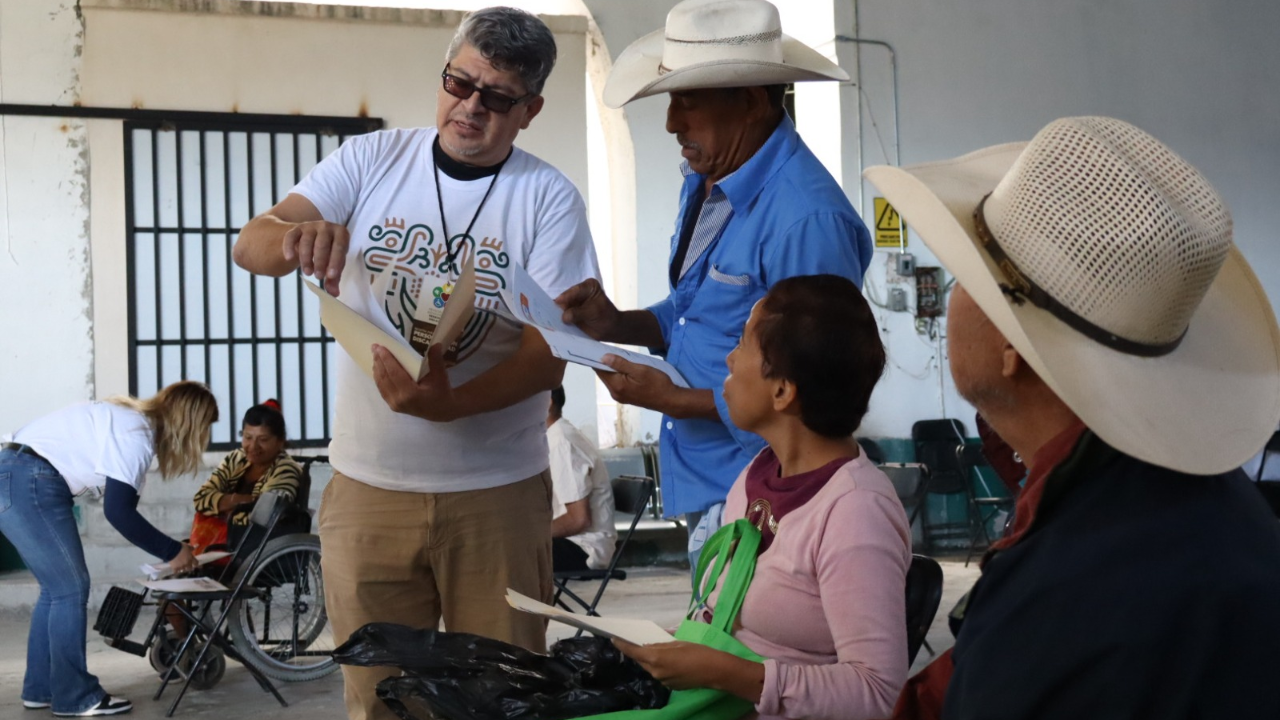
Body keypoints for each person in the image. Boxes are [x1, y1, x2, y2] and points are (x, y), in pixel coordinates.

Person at [231, 7, 600, 719]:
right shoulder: (373, 160)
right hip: (368, 491)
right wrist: (296, 238)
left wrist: (450, 405)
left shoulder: (548, 198)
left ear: (530, 110)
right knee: (379, 698)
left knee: (500, 696)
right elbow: (253, 242)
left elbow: (550, 354)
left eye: (497, 97)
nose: (470, 107)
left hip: (496, 496)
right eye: (459, 83)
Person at [861, 116, 1280, 718]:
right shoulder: (1202, 502)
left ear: (1012, 347)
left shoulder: (1057, 595)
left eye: (966, 280)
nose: (953, 300)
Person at [557, 0, 874, 570]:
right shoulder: (711, 182)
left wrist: (673, 400)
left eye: (687, 100)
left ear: (750, 101)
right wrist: (618, 323)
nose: (671, 122)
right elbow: (692, 314)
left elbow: (816, 388)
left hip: (764, 498)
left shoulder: (806, 220)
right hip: (714, 484)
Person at [614, 274, 910, 720]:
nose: (729, 359)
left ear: (782, 391)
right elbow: (723, 623)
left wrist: (726, 674)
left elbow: (878, 695)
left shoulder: (855, 512)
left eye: (742, 344)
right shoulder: (758, 473)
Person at [0, 381, 219, 717]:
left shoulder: (125, 420)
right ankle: (76, 697)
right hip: (33, 480)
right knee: (70, 590)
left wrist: (170, 549)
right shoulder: (135, 433)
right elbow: (118, 513)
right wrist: (173, 551)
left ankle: (41, 689)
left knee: (56, 590)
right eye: (204, 428)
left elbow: (123, 507)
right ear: (190, 422)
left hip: (13, 473)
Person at [190, 399, 300, 552]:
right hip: (222, 544)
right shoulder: (236, 458)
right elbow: (201, 498)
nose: (253, 446)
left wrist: (222, 506)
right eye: (248, 437)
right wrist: (241, 500)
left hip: (254, 549)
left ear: (280, 441)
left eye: (263, 440)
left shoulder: (286, 469)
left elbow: (266, 514)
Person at [546, 386, 616, 572]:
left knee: (507, 551)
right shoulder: (554, 436)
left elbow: (578, 520)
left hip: (584, 547)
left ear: (547, 403)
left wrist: (531, 533)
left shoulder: (562, 442)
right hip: (570, 541)